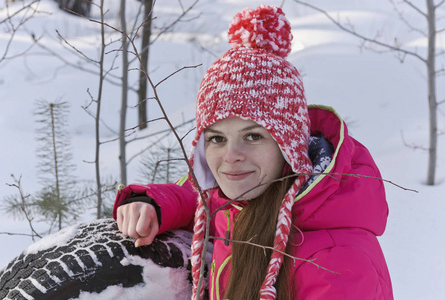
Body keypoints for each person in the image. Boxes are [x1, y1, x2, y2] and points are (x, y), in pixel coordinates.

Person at [113, 5, 393, 300]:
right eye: (217, 139)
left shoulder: (336, 260)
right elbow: (202, 197)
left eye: (253, 136)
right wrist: (151, 204)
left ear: (289, 147)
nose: (231, 155)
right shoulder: (246, 194)